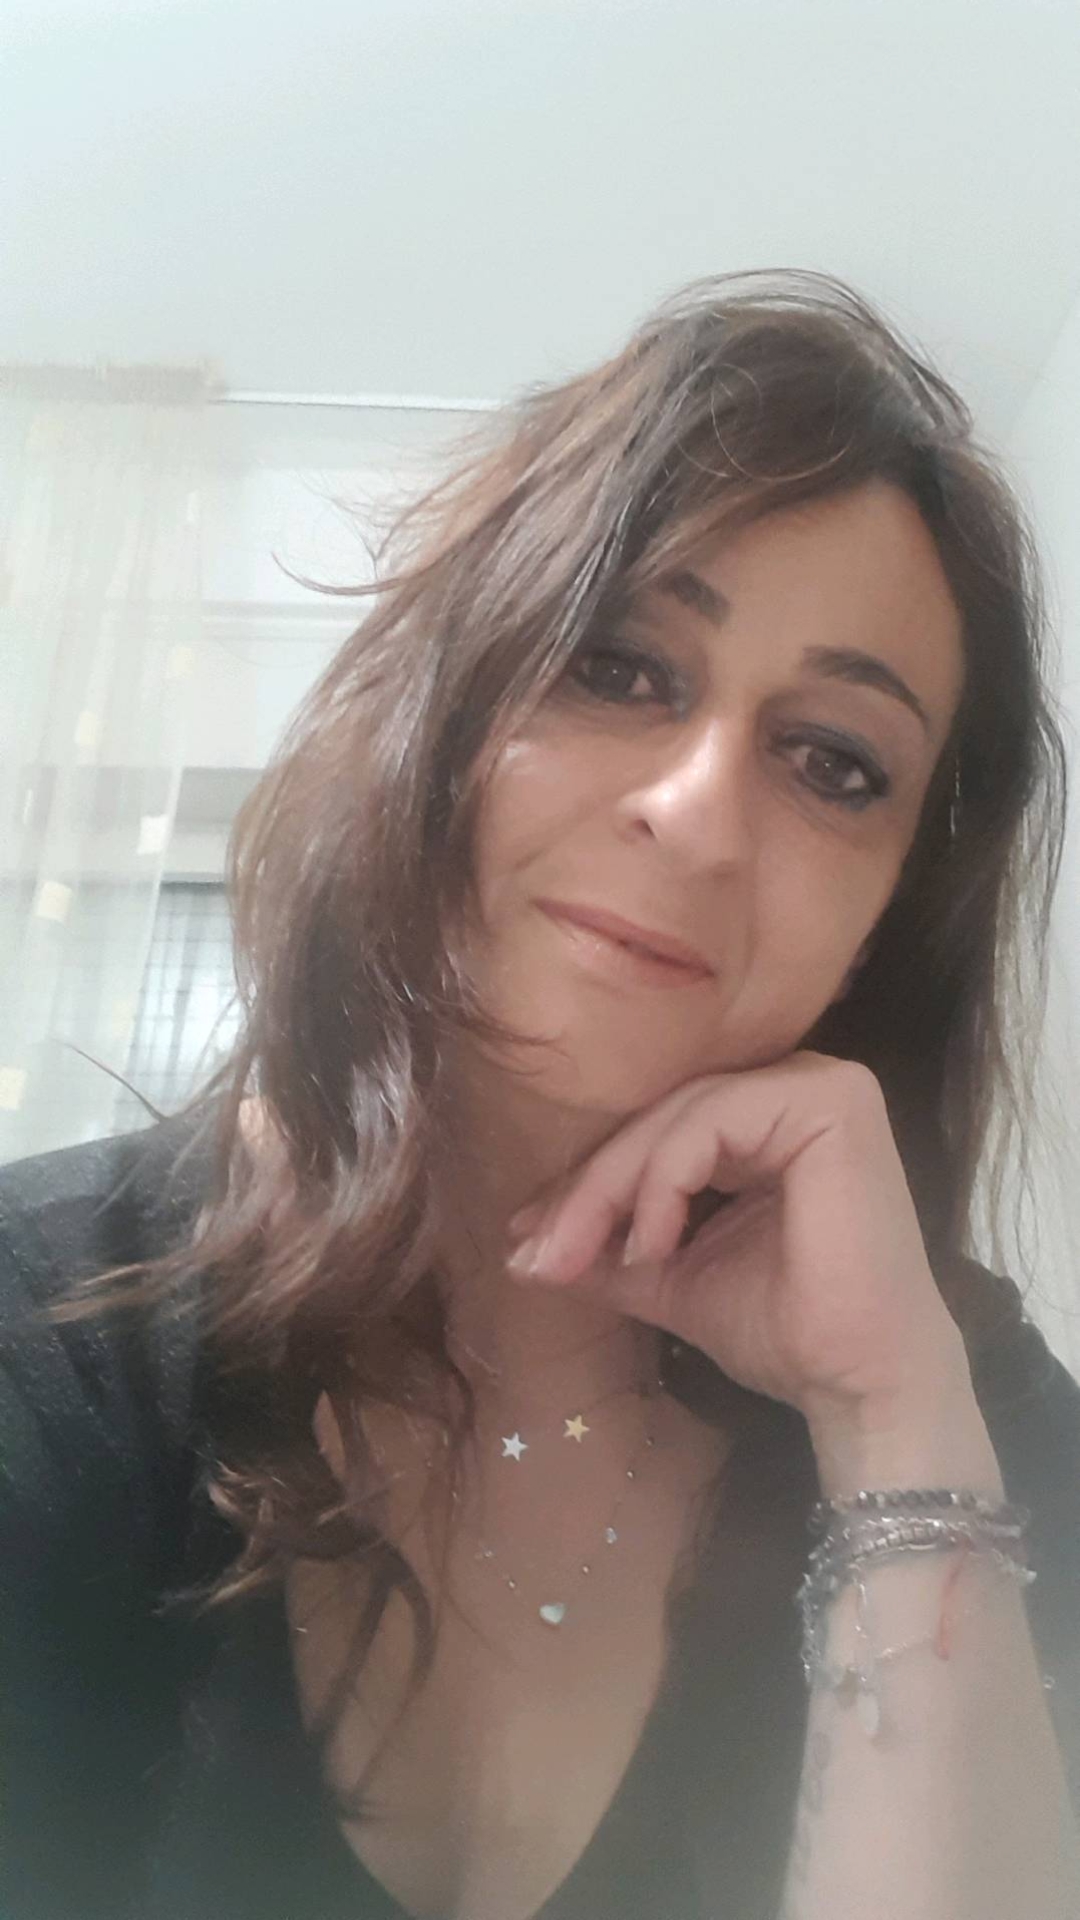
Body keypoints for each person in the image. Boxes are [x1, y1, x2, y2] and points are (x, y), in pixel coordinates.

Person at [2, 268, 1080, 1920]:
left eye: (834, 762)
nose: (698, 811)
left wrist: (889, 1427)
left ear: (886, 920)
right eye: (619, 665)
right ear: (437, 710)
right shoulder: (45, 1331)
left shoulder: (964, 1413)